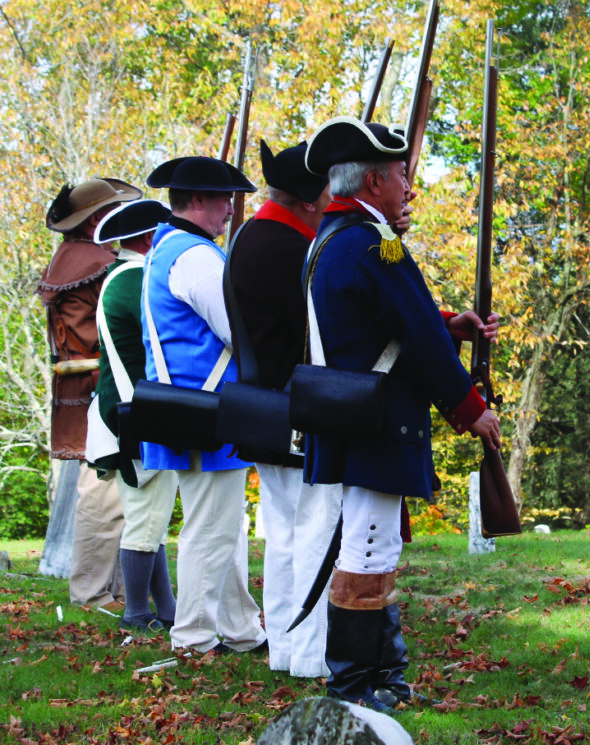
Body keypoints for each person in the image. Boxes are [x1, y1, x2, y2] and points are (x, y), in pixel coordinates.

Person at [301, 116, 500, 711]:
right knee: (368, 548)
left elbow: (376, 320)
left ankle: (386, 674)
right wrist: (470, 408)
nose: (408, 186)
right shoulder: (374, 244)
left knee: (377, 544)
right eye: (400, 174)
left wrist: (449, 323)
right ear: (372, 181)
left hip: (357, 415)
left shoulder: (334, 239)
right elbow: (417, 336)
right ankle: (353, 685)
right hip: (379, 421)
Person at [141, 156, 266, 654]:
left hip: (195, 406)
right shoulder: (195, 255)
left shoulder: (167, 248)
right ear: (196, 199)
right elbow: (238, 330)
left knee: (223, 524)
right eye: (223, 200)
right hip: (210, 407)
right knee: (212, 528)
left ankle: (241, 631)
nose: (231, 210)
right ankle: (192, 638)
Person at [227, 140, 338, 677]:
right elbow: (334, 323)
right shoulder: (292, 249)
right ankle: (311, 655)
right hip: (299, 410)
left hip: (267, 409)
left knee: (285, 537)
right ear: (312, 198)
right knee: (313, 534)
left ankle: (288, 651)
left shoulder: (250, 236)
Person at [39, 177, 141, 610]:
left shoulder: (74, 256)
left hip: (84, 385)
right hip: (97, 388)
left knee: (113, 489)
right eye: (111, 212)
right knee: (103, 489)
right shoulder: (97, 261)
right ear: (95, 219)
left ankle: (111, 591)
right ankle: (92, 593)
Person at [86, 199, 180, 634]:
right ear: (148, 238)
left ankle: (166, 610)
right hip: (136, 413)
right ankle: (136, 615)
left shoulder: (125, 276)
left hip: (129, 408)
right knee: (145, 519)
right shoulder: (135, 279)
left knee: (152, 518)